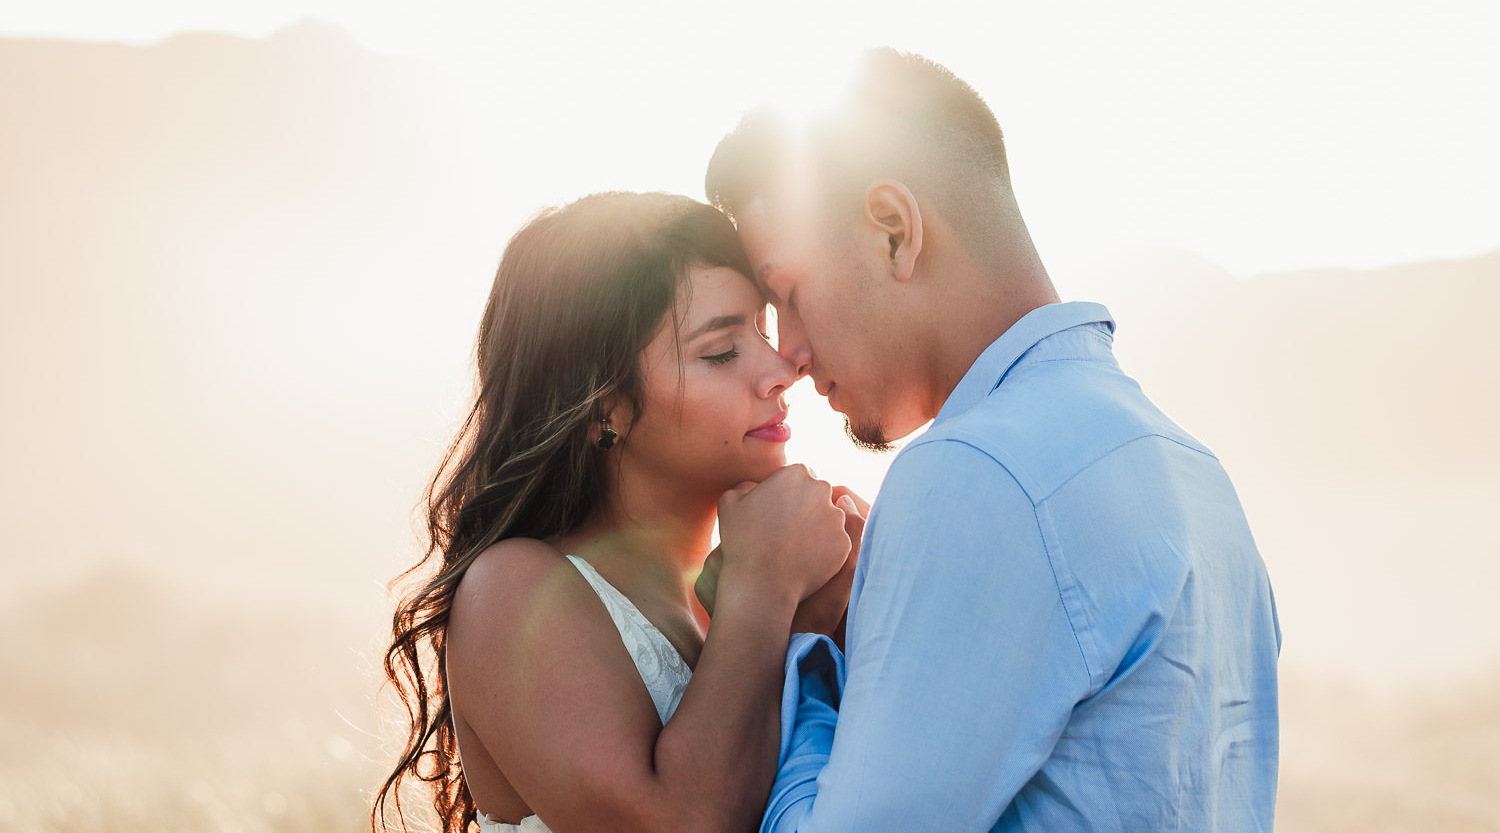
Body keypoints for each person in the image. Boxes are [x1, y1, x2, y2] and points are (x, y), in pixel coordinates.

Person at [702, 49, 1282, 831]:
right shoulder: (1195, 473)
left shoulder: (977, 471)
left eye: (790, 293)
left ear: (893, 231)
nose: (792, 353)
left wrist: (807, 651)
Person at [373, 191, 861, 833]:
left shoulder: (743, 593)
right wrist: (766, 586)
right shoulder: (513, 589)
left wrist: (819, 622)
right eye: (721, 351)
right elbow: (683, 823)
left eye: (763, 331)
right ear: (606, 407)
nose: (780, 369)